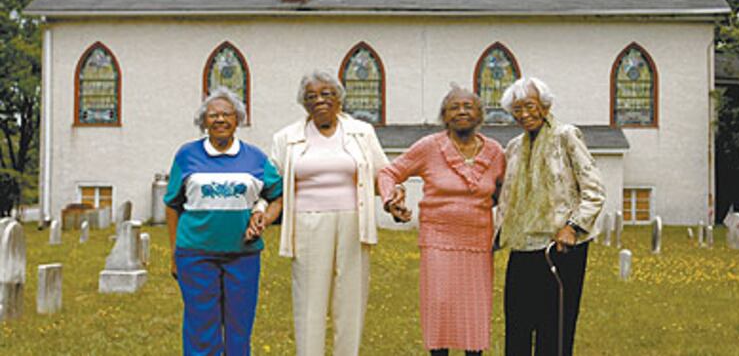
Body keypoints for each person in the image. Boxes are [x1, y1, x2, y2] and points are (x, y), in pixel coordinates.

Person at [270, 70, 404, 356]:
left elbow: (383, 175)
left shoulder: (361, 132)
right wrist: (261, 211)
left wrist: (394, 199)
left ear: (340, 100)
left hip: (354, 222)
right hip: (308, 223)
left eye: (326, 94)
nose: (319, 100)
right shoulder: (286, 138)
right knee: (309, 301)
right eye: (311, 96)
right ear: (303, 104)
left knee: (350, 300)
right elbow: (272, 186)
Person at [378, 86, 505, 356]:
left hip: (477, 242)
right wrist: (391, 200)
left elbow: (503, 192)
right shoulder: (429, 147)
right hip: (438, 240)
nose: (462, 111)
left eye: (468, 106)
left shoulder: (495, 152)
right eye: (454, 107)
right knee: (440, 307)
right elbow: (389, 172)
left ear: (481, 114)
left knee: (474, 311)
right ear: (444, 117)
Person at [165, 87, 283, 356]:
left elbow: (277, 196)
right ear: (204, 122)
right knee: (200, 326)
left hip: (243, 255)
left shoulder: (256, 158)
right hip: (195, 255)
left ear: (237, 119)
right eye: (213, 115)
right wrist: (174, 254)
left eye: (226, 114)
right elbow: (172, 205)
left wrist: (263, 217)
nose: (219, 119)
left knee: (239, 327)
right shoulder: (186, 155)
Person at [494, 77, 605, 356]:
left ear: (545, 105)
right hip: (522, 246)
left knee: (554, 329)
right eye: (517, 109)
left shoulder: (566, 136)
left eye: (530, 106)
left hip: (559, 247)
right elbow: (506, 195)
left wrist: (573, 227)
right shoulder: (514, 147)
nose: (524, 114)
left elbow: (593, 189)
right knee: (517, 328)